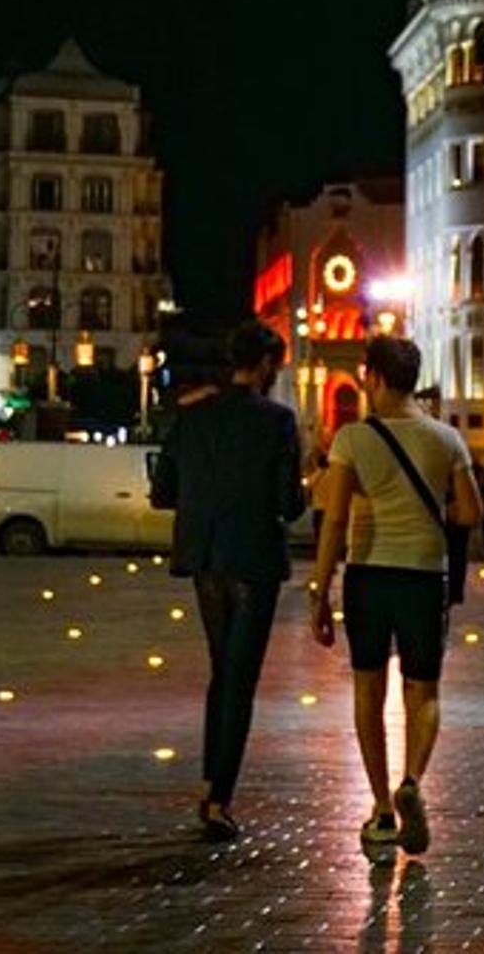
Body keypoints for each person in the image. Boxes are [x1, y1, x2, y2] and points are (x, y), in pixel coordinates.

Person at [309, 336, 480, 863]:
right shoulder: (447, 439)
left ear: (376, 378)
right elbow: (470, 514)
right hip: (424, 576)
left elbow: (333, 518)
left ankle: (382, 809)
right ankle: (412, 780)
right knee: (422, 690)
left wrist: (320, 591)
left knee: (368, 689)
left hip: (369, 573)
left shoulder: (353, 439)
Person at [149, 321, 306, 843]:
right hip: (253, 556)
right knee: (240, 679)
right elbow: (289, 503)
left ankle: (210, 785)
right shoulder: (277, 421)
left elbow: (163, 490)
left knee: (222, 672)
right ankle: (218, 799)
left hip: (205, 554)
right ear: (265, 366)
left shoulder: (192, 417)